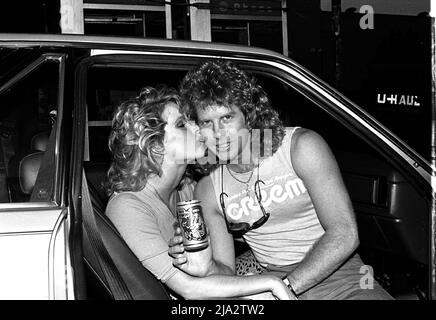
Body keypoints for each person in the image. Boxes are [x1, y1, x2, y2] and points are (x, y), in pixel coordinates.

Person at [169, 60, 394, 300]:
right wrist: (205, 267)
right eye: (206, 123)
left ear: (248, 114)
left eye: (226, 118)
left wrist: (283, 289)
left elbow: (345, 233)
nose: (217, 133)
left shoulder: (300, 147)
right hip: (272, 280)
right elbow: (227, 271)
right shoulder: (208, 189)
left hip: (341, 277)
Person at [105, 85, 293, 300]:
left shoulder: (187, 189)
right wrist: (271, 283)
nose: (199, 129)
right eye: (182, 125)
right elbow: (189, 290)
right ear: (154, 145)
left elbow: (223, 269)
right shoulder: (128, 207)